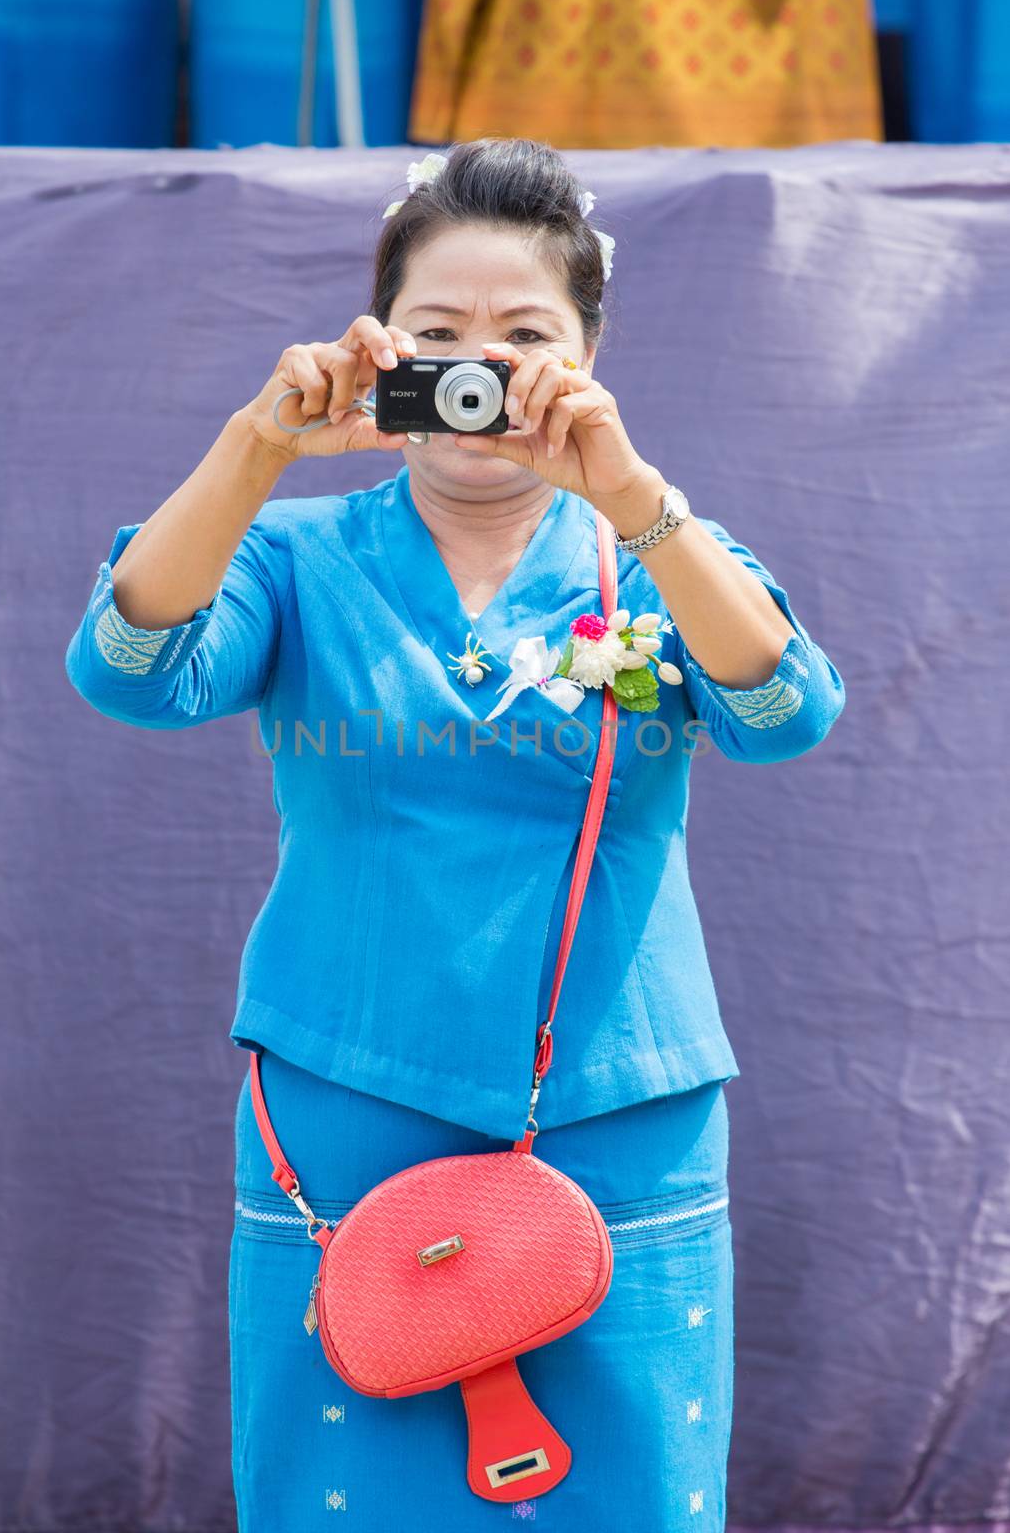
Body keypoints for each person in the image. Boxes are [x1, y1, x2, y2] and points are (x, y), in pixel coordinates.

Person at [64, 137, 845, 1530]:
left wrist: (635, 498)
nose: (480, 369)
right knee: (342, 1493)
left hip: (620, 1114)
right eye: (437, 335)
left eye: (526, 336)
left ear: (592, 354)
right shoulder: (291, 552)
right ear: (376, 350)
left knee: (630, 1497)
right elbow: (129, 668)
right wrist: (260, 447)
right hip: (346, 1102)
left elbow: (786, 714)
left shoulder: (657, 554)